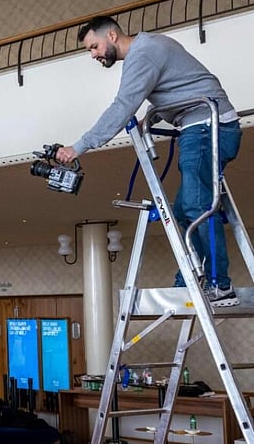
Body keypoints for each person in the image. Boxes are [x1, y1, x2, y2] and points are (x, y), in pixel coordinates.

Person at [56, 16, 241, 307]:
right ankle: (193, 277)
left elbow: (123, 105)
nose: (93, 55)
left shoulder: (143, 53)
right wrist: (152, 116)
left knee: (197, 206)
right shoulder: (151, 46)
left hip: (206, 127)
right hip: (202, 126)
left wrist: (79, 147)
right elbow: (179, 84)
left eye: (94, 47)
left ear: (113, 36)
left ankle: (221, 286)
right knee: (182, 210)